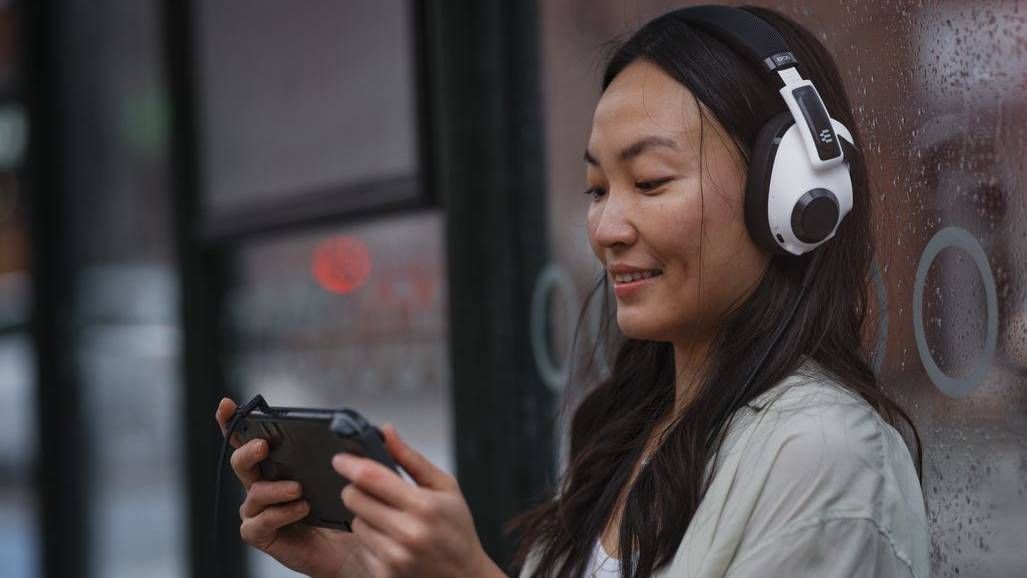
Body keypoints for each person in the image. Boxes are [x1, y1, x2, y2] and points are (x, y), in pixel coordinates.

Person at [215, 5, 929, 577]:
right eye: (595, 189)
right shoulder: (636, 435)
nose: (606, 227)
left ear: (795, 197)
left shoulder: (822, 455)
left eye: (649, 182)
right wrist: (365, 566)